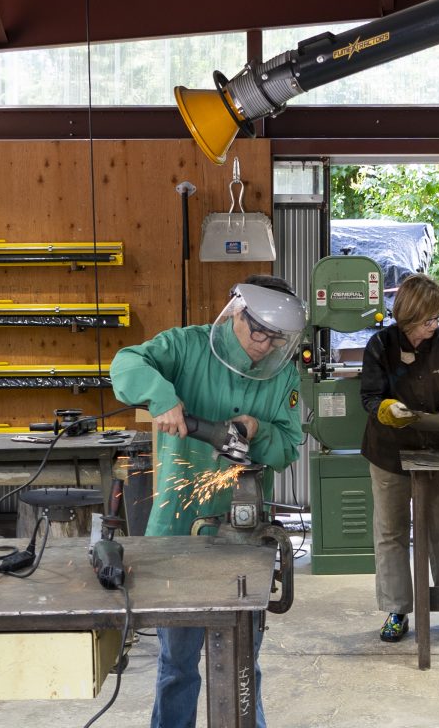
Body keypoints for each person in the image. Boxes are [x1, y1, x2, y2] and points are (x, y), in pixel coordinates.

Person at [110, 274, 307, 728]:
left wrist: (256, 430)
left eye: (277, 338)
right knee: (177, 666)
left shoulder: (282, 374)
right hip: (179, 530)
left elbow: (288, 448)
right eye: (260, 332)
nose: (265, 345)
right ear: (237, 312)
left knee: (242, 665)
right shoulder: (186, 347)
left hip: (245, 535)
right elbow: (125, 365)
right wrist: (161, 397)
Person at [359, 273, 439, 644]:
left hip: (437, 452)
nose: (435, 326)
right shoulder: (380, 345)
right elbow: (368, 396)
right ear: (409, 317)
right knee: (391, 533)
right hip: (388, 452)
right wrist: (386, 408)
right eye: (429, 320)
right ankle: (397, 609)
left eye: (438, 319)